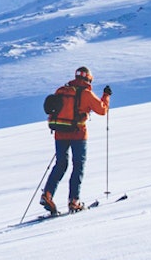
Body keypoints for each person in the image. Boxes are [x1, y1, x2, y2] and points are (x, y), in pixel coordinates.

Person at [40, 66, 111, 215]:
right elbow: (102, 110)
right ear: (89, 79)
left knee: (60, 164)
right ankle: (74, 201)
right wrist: (106, 96)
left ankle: (47, 194)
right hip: (78, 133)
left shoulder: (62, 90)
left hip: (60, 133)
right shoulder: (86, 93)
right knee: (78, 166)